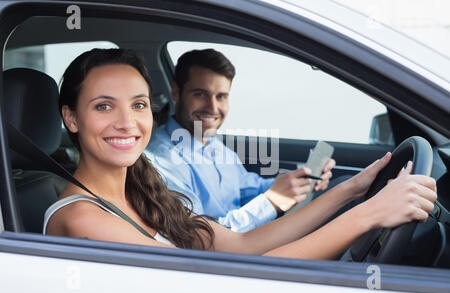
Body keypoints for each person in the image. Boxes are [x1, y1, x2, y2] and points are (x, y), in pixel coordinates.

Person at [44, 48, 437, 261]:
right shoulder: (82, 217)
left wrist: (351, 190)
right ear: (71, 118)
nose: (127, 122)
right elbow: (218, 286)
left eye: (139, 105)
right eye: (103, 106)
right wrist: (369, 214)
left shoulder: (142, 191)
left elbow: (244, 247)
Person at [147, 49, 336, 232]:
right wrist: (272, 201)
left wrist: (299, 179)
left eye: (221, 96)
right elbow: (200, 236)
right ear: (176, 93)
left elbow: (246, 188)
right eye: (200, 94)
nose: (212, 107)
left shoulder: (212, 143)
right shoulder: (163, 161)